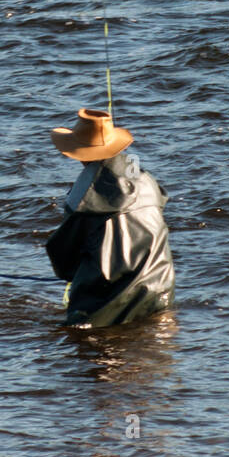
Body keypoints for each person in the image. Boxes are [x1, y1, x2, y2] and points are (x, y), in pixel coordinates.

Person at [45, 108, 175, 328]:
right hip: (160, 292)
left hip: (104, 303)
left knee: (84, 347)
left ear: (79, 153)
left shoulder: (83, 199)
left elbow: (65, 263)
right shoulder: (148, 182)